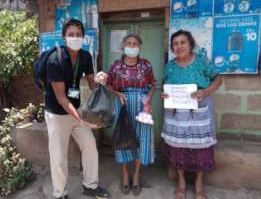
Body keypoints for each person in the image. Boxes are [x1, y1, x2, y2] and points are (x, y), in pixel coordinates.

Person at [44, 19, 109, 199]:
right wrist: (81, 119)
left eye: (78, 35)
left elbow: (91, 85)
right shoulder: (54, 60)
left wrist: (99, 80)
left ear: (83, 37)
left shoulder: (85, 56)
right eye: (71, 35)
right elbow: (61, 98)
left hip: (76, 109)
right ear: (64, 38)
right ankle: (60, 194)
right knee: (58, 156)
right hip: (57, 113)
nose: (75, 38)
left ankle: (90, 186)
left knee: (90, 147)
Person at [161, 30, 222, 199]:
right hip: (176, 114)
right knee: (177, 147)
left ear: (190, 44)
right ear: (172, 47)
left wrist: (206, 91)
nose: (179, 46)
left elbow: (218, 78)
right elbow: (164, 86)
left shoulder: (202, 62)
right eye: (175, 43)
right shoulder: (170, 66)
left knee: (201, 148)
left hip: (199, 110)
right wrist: (164, 94)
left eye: (183, 42)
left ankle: (199, 183)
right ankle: (181, 181)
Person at [106, 34, 156, 196]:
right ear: (123, 46)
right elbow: (108, 85)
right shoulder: (116, 66)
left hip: (142, 105)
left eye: (135, 44)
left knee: (142, 138)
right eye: (129, 43)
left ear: (139, 47)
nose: (132, 46)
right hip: (123, 104)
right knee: (123, 137)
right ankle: (125, 175)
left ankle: (136, 175)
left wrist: (148, 99)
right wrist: (117, 94)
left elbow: (153, 85)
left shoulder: (146, 65)